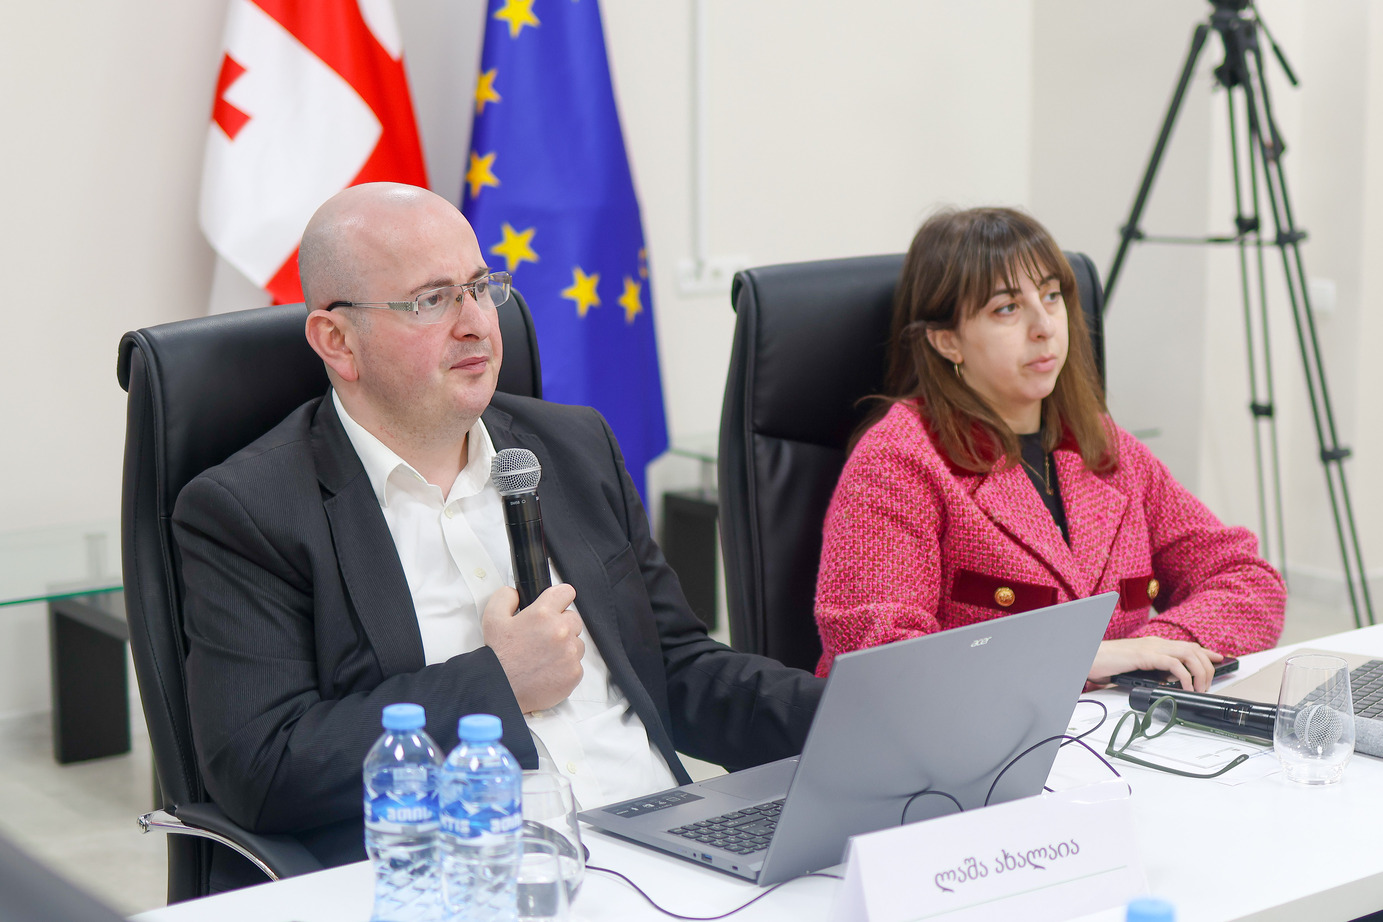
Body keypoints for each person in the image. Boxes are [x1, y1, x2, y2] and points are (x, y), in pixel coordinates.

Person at [173, 183, 823, 877]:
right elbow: (262, 766)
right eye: (431, 300)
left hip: (671, 849)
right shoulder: (250, 511)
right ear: (338, 341)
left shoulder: (574, 446)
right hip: (468, 878)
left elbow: (675, 665)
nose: (477, 323)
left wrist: (850, 715)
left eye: (481, 287)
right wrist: (500, 683)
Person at [813, 207, 1285, 690]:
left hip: (1113, 727)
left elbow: (1248, 580)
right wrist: (1077, 659)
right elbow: (879, 660)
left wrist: (1153, 650)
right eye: (1007, 308)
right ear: (948, 341)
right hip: (971, 737)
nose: (1044, 326)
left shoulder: (1105, 446)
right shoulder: (896, 461)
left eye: (1052, 296)